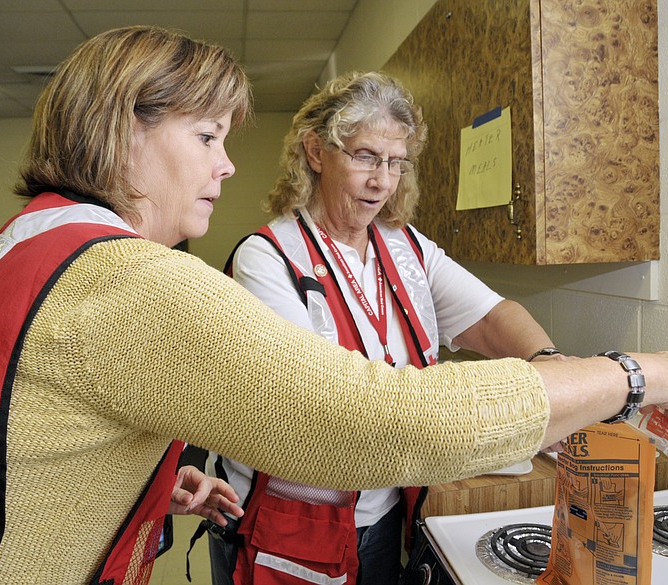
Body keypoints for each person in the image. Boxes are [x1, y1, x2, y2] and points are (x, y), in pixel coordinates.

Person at [0, 25, 668, 585]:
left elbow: (15, 427)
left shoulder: (29, 242)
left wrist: (124, 471)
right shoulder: (129, 278)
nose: (226, 164)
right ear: (119, 131)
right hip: (298, 521)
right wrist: (633, 374)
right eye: (206, 136)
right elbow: (372, 420)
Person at [206, 71, 564, 585]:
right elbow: (323, 410)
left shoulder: (405, 245)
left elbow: (491, 317)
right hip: (286, 526)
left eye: (396, 163)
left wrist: (554, 372)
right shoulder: (268, 258)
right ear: (315, 151)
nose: (382, 181)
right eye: (366, 157)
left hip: (384, 512)